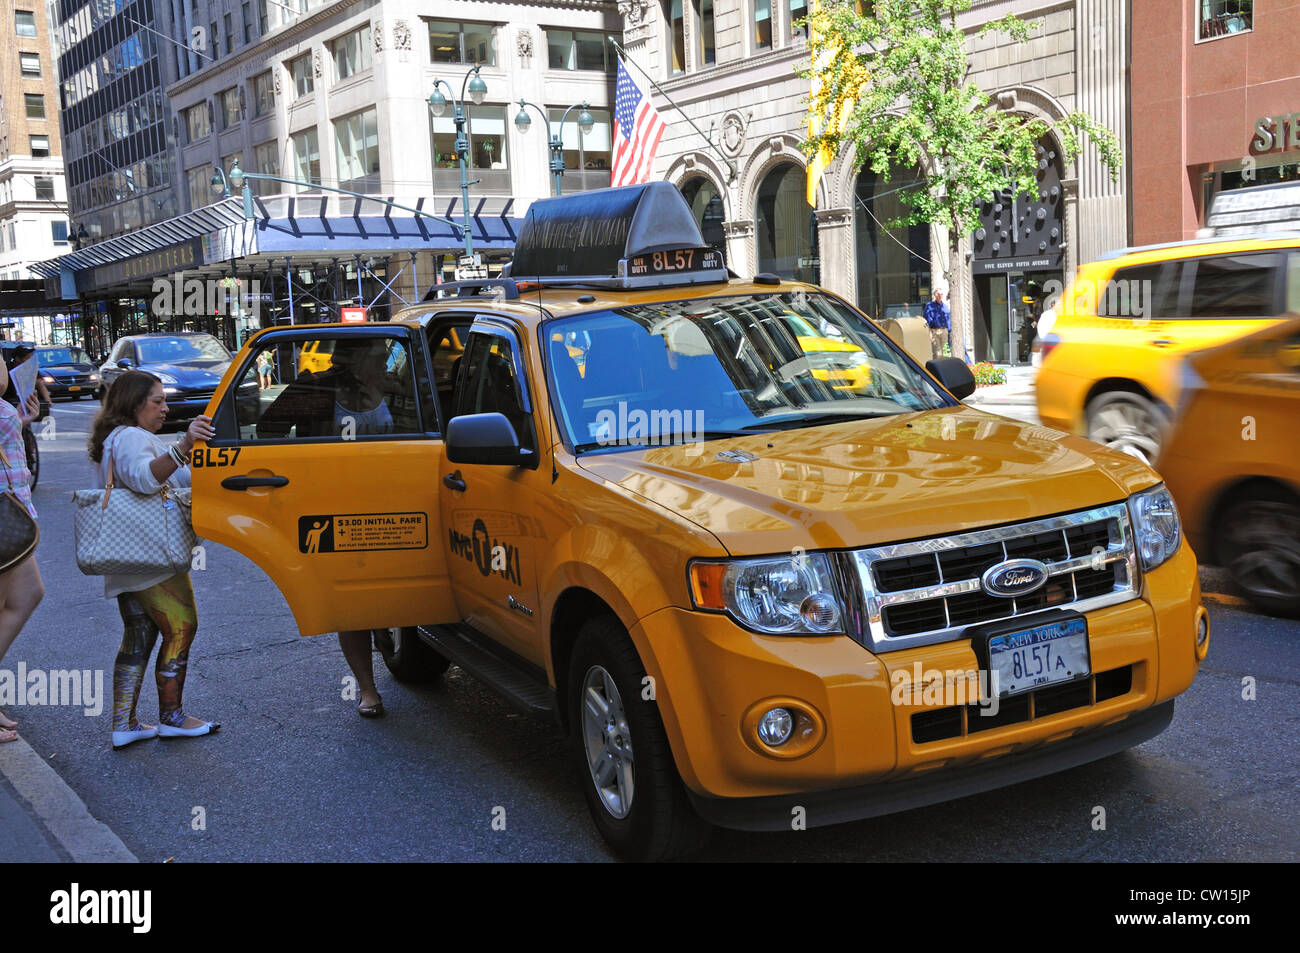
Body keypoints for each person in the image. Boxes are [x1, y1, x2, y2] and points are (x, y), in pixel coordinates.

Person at [257, 338, 395, 716]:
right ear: (355, 359)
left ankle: (386, 627)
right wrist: (302, 473)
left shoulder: (396, 387)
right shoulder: (314, 388)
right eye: (379, 356)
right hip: (335, 511)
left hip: (396, 505)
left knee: (391, 588)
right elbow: (269, 431)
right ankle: (368, 690)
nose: (386, 362)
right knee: (349, 602)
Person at [88, 370, 219, 749]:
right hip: (149, 557)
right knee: (182, 626)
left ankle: (124, 723)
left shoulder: (118, 438)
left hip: (127, 556)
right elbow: (146, 481)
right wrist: (185, 444)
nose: (166, 407)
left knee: (139, 636)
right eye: (158, 401)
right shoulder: (129, 437)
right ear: (134, 404)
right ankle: (172, 716)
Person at [0, 354, 44, 744]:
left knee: (26, 595)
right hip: (2, 522)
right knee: (20, 598)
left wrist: (20, 420)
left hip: (11, 518)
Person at [924, 287, 952, 360]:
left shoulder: (945, 307)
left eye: (941, 294)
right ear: (934, 295)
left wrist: (949, 331)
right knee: (937, 352)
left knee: (946, 352)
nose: (940, 295)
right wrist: (929, 331)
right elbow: (926, 319)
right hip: (934, 331)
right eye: (938, 294)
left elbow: (948, 320)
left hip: (944, 331)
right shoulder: (929, 306)